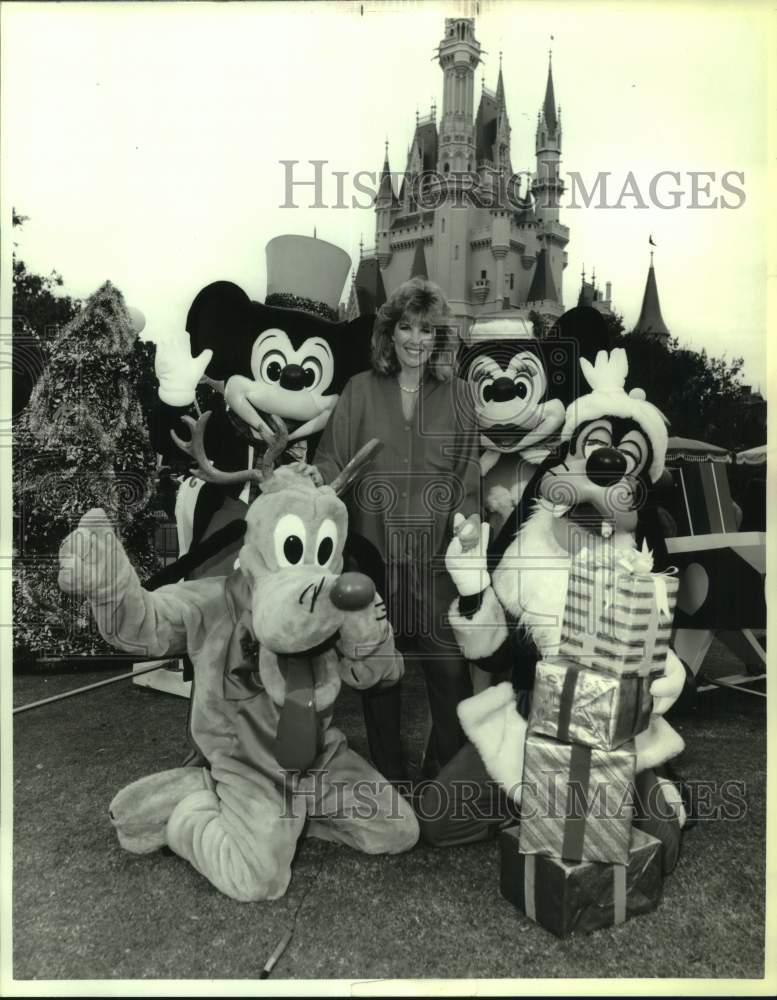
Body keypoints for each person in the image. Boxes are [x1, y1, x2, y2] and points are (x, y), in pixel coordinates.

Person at [313, 277, 481, 782]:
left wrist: (470, 521)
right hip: (372, 553)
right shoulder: (359, 391)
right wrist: (310, 485)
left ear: (440, 337)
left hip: (436, 556)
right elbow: (330, 461)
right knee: (379, 668)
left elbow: (467, 474)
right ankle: (389, 777)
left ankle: (448, 776)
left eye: (427, 330)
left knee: (448, 669)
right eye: (406, 327)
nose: (415, 339)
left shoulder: (461, 396)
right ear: (390, 333)